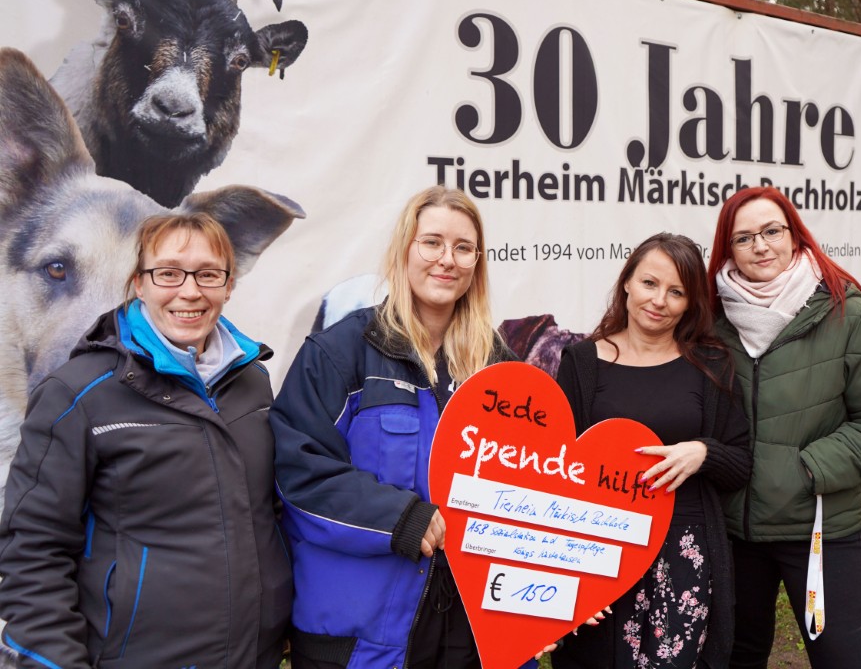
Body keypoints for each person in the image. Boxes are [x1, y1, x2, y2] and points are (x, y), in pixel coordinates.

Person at [0, 213, 291, 668]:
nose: (190, 291)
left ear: (228, 286)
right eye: (169, 273)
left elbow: (267, 514)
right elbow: (32, 548)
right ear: (139, 283)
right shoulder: (76, 394)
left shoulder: (252, 381)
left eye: (209, 274)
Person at [270, 187, 516, 669]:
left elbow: (528, 485)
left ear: (477, 263)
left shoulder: (496, 368)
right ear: (405, 249)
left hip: (470, 632)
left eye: (463, 248)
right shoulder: (341, 351)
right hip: (363, 637)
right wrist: (398, 518)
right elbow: (297, 473)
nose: (447, 260)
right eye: (432, 243)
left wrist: (543, 598)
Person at [705, 186, 861, 669]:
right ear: (727, 250)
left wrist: (810, 470)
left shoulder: (847, 313)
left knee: (845, 660)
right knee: (734, 657)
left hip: (821, 529)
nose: (760, 245)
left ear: (795, 236)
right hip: (736, 532)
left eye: (771, 231)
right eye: (744, 238)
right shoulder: (714, 321)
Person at [552, 233, 752, 669]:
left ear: (690, 303)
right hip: (601, 550)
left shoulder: (709, 365)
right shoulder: (581, 363)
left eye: (676, 292)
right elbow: (555, 470)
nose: (659, 300)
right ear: (627, 283)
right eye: (649, 283)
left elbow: (740, 463)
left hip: (682, 555)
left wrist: (704, 452)